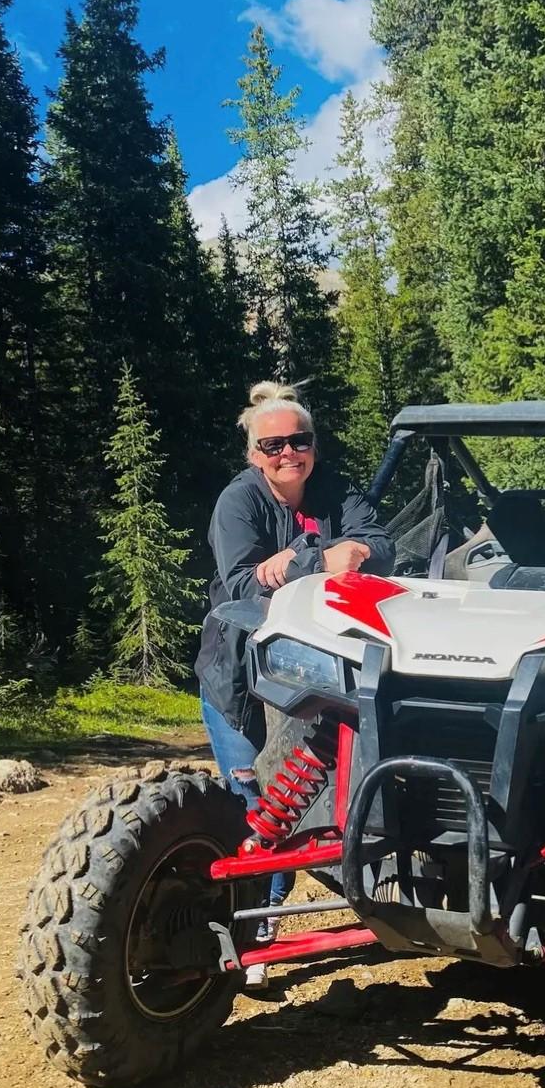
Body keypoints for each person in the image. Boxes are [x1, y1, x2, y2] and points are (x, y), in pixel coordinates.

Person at [196, 382, 394, 956]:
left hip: (316, 674)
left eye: (299, 441)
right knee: (256, 800)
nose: (288, 453)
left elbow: (382, 548)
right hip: (238, 675)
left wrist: (292, 565)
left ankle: (269, 913)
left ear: (314, 445)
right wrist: (324, 559)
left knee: (299, 793)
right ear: (254, 453)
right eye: (273, 444)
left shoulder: (336, 491)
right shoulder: (239, 503)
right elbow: (238, 585)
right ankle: (246, 918)